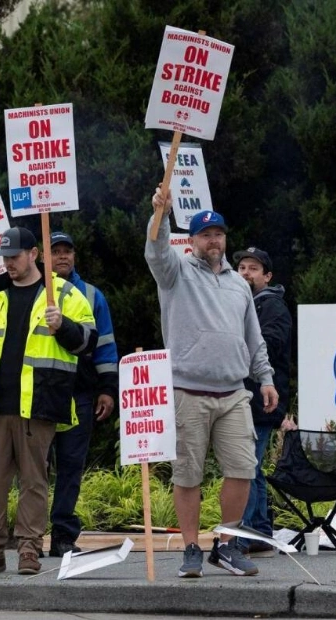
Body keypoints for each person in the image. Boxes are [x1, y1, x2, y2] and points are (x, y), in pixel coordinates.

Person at [0, 227, 97, 576]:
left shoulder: (63, 293)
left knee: (34, 480)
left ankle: (29, 548)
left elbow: (88, 342)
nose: (8, 263)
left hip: (39, 402)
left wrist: (65, 326)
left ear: (34, 254)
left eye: (14, 256)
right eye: (5, 257)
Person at [144, 192, 278, 579]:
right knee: (188, 474)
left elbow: (253, 338)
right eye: (205, 235)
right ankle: (190, 549)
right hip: (187, 390)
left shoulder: (239, 285)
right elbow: (156, 249)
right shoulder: (175, 272)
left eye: (218, 234)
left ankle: (227, 545)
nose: (213, 241)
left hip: (235, 392)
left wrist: (265, 378)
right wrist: (161, 214)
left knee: (242, 469)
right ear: (192, 241)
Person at [46, 231, 119, 557]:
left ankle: (62, 536)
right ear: (42, 256)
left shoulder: (91, 295)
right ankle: (31, 536)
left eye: (67, 251)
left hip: (80, 393)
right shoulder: (33, 290)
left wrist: (107, 389)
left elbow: (105, 345)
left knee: (71, 466)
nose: (62, 257)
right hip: (40, 393)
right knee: (34, 468)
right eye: (55, 251)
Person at [233, 247, 292, 557]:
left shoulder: (273, 307)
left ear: (267, 276)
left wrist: (232, 341)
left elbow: (267, 345)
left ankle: (246, 536)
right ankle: (258, 532)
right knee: (251, 468)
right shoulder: (240, 304)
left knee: (247, 466)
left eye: (253, 268)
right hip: (246, 399)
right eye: (241, 267)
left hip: (261, 402)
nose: (245, 273)